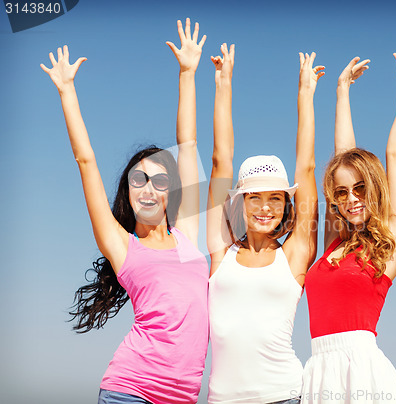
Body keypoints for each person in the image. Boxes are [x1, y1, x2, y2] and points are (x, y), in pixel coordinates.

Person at [41, 18, 209, 404]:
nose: (149, 189)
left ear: (172, 192)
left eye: (159, 181)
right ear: (128, 191)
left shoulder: (188, 234)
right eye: (139, 180)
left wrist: (187, 73)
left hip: (182, 397)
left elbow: (187, 144)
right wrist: (67, 92)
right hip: (130, 391)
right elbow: (86, 161)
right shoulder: (121, 246)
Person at [301, 43, 396, 403]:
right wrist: (342, 90)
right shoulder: (336, 238)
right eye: (343, 192)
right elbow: (341, 156)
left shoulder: (395, 236)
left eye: (360, 189)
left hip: (363, 373)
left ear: (375, 188)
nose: (351, 199)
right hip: (317, 370)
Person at [206, 43, 324, 404]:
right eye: (254, 197)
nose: (265, 207)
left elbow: (305, 168)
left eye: (275, 197)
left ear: (285, 203)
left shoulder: (294, 255)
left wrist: (305, 93)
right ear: (240, 202)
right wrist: (223, 82)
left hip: (284, 394)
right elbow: (220, 163)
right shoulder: (220, 250)